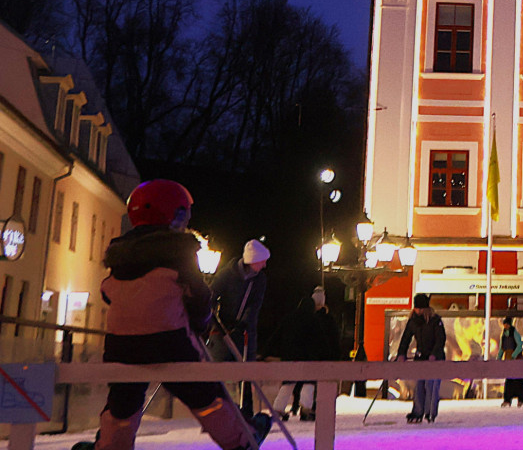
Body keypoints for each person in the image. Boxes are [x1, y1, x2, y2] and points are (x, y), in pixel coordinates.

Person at [94, 179, 270, 450]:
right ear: (173, 214)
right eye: (184, 213)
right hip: (169, 340)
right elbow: (199, 297)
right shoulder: (178, 251)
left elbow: (108, 293)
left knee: (122, 401)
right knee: (205, 393)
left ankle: (110, 446)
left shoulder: (121, 256)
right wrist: (200, 323)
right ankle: (242, 439)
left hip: (121, 344)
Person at [209, 239, 269, 415]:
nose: (264, 265)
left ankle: (246, 410)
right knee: (217, 369)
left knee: (246, 370)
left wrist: (244, 322)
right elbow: (211, 295)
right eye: (262, 261)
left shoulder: (260, 279)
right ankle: (216, 409)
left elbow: (255, 305)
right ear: (252, 260)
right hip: (222, 330)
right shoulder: (227, 274)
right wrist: (214, 318)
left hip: (245, 331)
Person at [268, 286, 341, 421]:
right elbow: (321, 340)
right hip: (309, 358)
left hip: (290, 356)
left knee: (288, 384)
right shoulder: (313, 320)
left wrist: (267, 352)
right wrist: (328, 356)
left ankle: (278, 408)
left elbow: (276, 336)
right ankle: (305, 409)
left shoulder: (289, 318)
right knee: (308, 384)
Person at [397, 294, 447, 423]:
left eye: (420, 308)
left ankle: (430, 413)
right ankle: (418, 411)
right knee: (419, 385)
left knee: (431, 386)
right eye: (416, 308)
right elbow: (405, 338)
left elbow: (440, 339)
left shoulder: (435, 320)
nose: (418, 311)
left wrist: (434, 354)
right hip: (421, 357)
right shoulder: (413, 321)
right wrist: (401, 353)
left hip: (435, 359)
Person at [499, 317, 523, 407]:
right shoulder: (503, 335)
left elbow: (519, 345)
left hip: (516, 359)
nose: (505, 326)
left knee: (518, 380)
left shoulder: (515, 333)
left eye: (507, 324)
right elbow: (502, 348)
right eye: (504, 324)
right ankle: (507, 399)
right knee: (509, 380)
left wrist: (513, 356)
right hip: (508, 359)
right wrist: (498, 358)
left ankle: (521, 399)